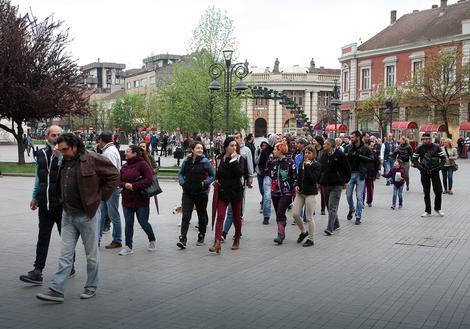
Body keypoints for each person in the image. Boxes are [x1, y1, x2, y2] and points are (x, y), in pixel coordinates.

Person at [36, 133, 119, 303]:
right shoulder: (62, 160)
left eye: (65, 149)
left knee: (92, 255)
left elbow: (113, 174)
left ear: (75, 146)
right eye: (60, 149)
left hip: (87, 215)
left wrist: (99, 197)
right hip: (67, 214)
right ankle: (56, 290)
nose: (62, 152)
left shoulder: (91, 158)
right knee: (65, 255)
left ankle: (91, 287)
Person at [20, 125, 75, 285]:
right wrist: (34, 197)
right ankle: (37, 271)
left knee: (66, 239)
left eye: (59, 135)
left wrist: (59, 156)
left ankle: (70, 266)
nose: (56, 138)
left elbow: (68, 174)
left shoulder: (67, 154)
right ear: (47, 136)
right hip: (45, 205)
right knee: (43, 237)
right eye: (53, 135)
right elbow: (39, 177)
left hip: (61, 206)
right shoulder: (41, 153)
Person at [118, 145, 156, 256]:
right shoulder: (124, 166)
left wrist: (134, 186)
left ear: (134, 153)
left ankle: (152, 239)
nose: (125, 153)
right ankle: (128, 247)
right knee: (128, 224)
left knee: (143, 222)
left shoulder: (143, 164)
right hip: (127, 199)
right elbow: (118, 180)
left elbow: (149, 180)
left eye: (128, 152)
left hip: (141, 199)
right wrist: (125, 185)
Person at [177, 141, 215, 249]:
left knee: (201, 216)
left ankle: (201, 235)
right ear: (192, 150)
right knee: (186, 216)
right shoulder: (186, 161)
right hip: (188, 192)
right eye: (198, 148)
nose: (200, 150)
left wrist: (204, 183)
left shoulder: (205, 161)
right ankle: (183, 238)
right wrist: (182, 183)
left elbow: (213, 176)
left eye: (201, 148)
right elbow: (181, 174)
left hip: (201, 193)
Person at [210, 137, 245, 254]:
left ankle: (237, 238)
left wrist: (234, 160)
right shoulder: (219, 158)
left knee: (236, 217)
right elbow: (218, 173)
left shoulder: (240, 158)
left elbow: (240, 173)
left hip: (235, 192)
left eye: (235, 146)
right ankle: (217, 242)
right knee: (220, 216)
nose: (234, 148)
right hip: (223, 191)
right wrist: (216, 181)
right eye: (231, 145)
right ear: (226, 147)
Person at [265, 142, 296, 245]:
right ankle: (282, 227)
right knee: (279, 213)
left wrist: (293, 190)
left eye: (275, 149)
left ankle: (280, 234)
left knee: (280, 212)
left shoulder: (290, 162)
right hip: (275, 191)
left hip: (286, 192)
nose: (273, 151)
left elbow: (294, 177)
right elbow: (267, 172)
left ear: (280, 150)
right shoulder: (273, 161)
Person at [320, 138, 351, 235]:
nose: (323, 145)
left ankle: (330, 228)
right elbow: (320, 169)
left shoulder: (340, 155)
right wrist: (319, 181)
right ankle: (336, 223)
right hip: (325, 184)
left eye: (325, 144)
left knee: (332, 206)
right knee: (329, 206)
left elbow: (347, 169)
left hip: (337, 184)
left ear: (330, 145)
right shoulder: (324, 155)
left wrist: (345, 181)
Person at [97, 131, 122, 249]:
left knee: (113, 215)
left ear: (101, 140)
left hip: (110, 189)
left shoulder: (109, 152)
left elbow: (111, 173)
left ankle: (117, 239)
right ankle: (97, 238)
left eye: (99, 141)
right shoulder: (109, 150)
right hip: (107, 188)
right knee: (102, 214)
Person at [292, 145, 321, 247]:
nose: (307, 155)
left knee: (309, 218)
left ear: (314, 154)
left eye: (309, 153)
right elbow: (299, 177)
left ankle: (311, 239)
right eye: (306, 153)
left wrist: (308, 166)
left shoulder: (316, 165)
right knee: (295, 214)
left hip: (310, 194)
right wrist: (296, 185)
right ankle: (304, 232)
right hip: (301, 193)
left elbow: (313, 179)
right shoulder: (302, 164)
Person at [412, 133, 446, 217]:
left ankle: (437, 208)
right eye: (424, 139)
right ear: (422, 140)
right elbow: (414, 159)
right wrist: (421, 168)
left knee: (438, 191)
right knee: (426, 192)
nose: (426, 140)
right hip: (424, 172)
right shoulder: (419, 148)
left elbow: (443, 159)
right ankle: (427, 210)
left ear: (431, 139)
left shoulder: (437, 147)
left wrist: (437, 168)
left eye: (428, 139)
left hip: (435, 172)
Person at [344, 131, 373, 225]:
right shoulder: (348, 147)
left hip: (360, 174)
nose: (351, 139)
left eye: (352, 137)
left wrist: (360, 156)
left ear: (358, 138)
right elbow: (343, 158)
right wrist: (347, 155)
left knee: (359, 197)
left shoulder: (366, 148)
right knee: (348, 195)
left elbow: (372, 159)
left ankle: (358, 216)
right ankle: (351, 208)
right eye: (350, 137)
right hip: (350, 174)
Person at [259, 134, 280, 224]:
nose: (279, 140)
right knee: (267, 197)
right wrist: (264, 173)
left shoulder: (281, 150)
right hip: (268, 176)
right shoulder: (265, 151)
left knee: (278, 197)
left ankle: (280, 215)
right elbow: (260, 164)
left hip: (278, 177)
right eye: (277, 139)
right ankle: (266, 216)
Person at [364, 139, 380, 207]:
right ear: (367, 146)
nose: (372, 147)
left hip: (371, 172)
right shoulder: (363, 152)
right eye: (371, 146)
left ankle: (369, 201)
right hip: (364, 173)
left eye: (373, 146)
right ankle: (361, 201)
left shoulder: (374, 153)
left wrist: (378, 170)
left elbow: (377, 162)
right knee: (362, 188)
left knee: (370, 188)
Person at [255, 138, 269, 214]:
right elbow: (256, 161)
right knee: (261, 189)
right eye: (262, 145)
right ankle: (263, 200)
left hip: (266, 173)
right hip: (259, 172)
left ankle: (263, 205)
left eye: (265, 145)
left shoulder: (269, 153)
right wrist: (261, 153)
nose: (264, 147)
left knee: (264, 190)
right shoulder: (257, 151)